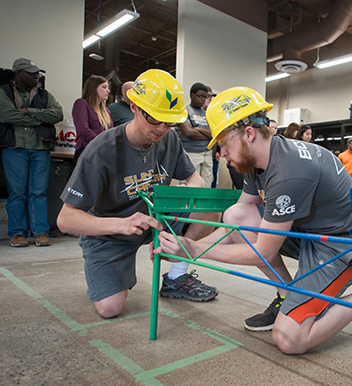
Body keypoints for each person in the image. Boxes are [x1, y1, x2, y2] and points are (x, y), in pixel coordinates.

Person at [153, 86, 352, 354]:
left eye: (223, 144)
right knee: (237, 214)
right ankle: (287, 293)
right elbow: (235, 225)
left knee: (290, 339)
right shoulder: (258, 160)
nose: (222, 153)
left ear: (248, 133)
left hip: (341, 246)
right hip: (306, 231)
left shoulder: (288, 172)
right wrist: (186, 247)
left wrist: (195, 250)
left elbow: (263, 252)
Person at [57, 69, 219, 319]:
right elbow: (65, 220)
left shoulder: (169, 139)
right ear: (134, 106)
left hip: (155, 219)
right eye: (155, 119)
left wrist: (188, 195)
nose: (162, 128)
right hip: (112, 232)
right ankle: (109, 268)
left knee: (209, 207)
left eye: (170, 122)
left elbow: (194, 178)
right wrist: (122, 224)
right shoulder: (101, 151)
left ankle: (176, 275)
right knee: (111, 309)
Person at [0, 57, 63, 247]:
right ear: (18, 73)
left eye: (37, 73)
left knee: (39, 193)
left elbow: (57, 114)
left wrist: (27, 111)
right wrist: (41, 117)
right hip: (14, 149)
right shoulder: (4, 92)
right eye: (31, 73)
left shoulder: (45, 94)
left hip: (40, 149)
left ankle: (40, 232)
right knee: (17, 193)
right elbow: (6, 115)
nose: (36, 76)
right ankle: (17, 233)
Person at [175, 82, 213, 189]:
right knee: (190, 188)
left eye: (205, 97)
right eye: (200, 96)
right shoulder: (184, 111)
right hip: (191, 154)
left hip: (207, 154)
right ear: (192, 95)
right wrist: (207, 134)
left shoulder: (207, 114)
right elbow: (189, 133)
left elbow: (214, 134)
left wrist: (198, 129)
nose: (203, 99)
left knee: (206, 188)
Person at [72, 75, 113, 162]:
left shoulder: (106, 111)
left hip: (103, 153)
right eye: (104, 87)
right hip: (87, 151)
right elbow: (83, 130)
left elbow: (111, 132)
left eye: (108, 88)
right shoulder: (81, 104)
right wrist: (101, 143)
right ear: (93, 88)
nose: (108, 91)